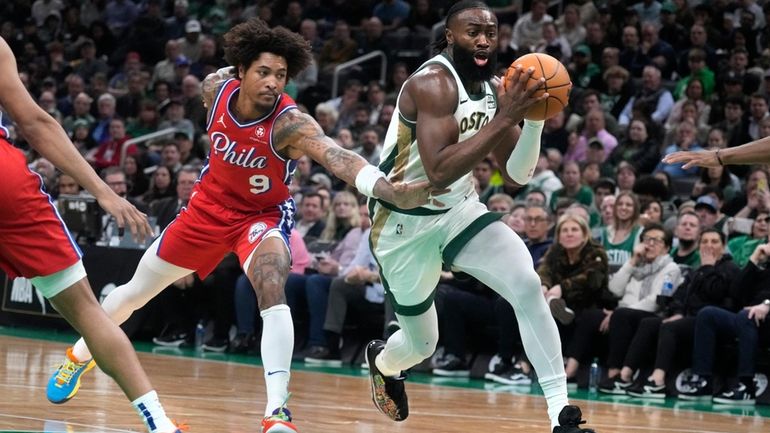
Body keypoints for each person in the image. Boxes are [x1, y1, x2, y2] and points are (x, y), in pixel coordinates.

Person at [46, 19, 436, 433]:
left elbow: (335, 155)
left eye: (281, 75)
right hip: (205, 211)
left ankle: (277, 413)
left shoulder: (291, 123)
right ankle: (80, 355)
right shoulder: (214, 89)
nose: (272, 83)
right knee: (134, 294)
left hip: (260, 217)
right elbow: (217, 83)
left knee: (272, 285)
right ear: (242, 72)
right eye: (263, 72)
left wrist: (385, 188)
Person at [363, 3, 594, 433]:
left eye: (491, 31)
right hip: (402, 221)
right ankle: (382, 361)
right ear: (451, 36)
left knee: (527, 284)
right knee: (421, 344)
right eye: (473, 31)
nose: (484, 39)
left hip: (458, 210)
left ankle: (560, 412)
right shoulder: (431, 84)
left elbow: (517, 176)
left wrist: (533, 120)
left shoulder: (492, 89)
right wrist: (506, 115)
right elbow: (438, 170)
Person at [0, 37, 182, 433]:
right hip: (6, 182)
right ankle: (160, 425)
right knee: (88, 312)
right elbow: (36, 123)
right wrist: (103, 191)